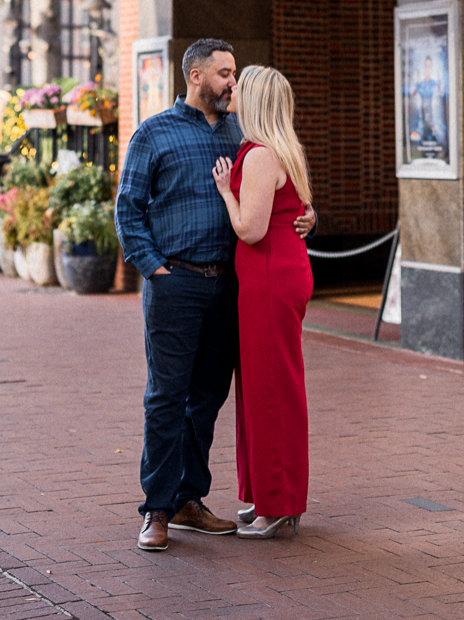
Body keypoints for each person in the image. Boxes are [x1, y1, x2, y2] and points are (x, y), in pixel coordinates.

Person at [115, 38, 315, 553]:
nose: (233, 82)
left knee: (207, 398)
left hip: (230, 285)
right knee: (166, 397)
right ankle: (156, 509)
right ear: (196, 76)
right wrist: (153, 268)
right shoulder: (153, 134)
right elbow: (128, 209)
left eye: (235, 74)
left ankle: (189, 500)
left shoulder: (241, 132)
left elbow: (278, 190)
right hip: (175, 282)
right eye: (225, 73)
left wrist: (306, 218)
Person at [212, 65, 314, 540]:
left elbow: (250, 229)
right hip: (279, 274)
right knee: (266, 387)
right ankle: (273, 497)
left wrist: (224, 194)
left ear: (254, 100)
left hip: (269, 278)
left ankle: (277, 504)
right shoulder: (285, 150)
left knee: (270, 390)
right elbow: (298, 211)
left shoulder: (258, 156)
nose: (231, 90)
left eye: (239, 85)